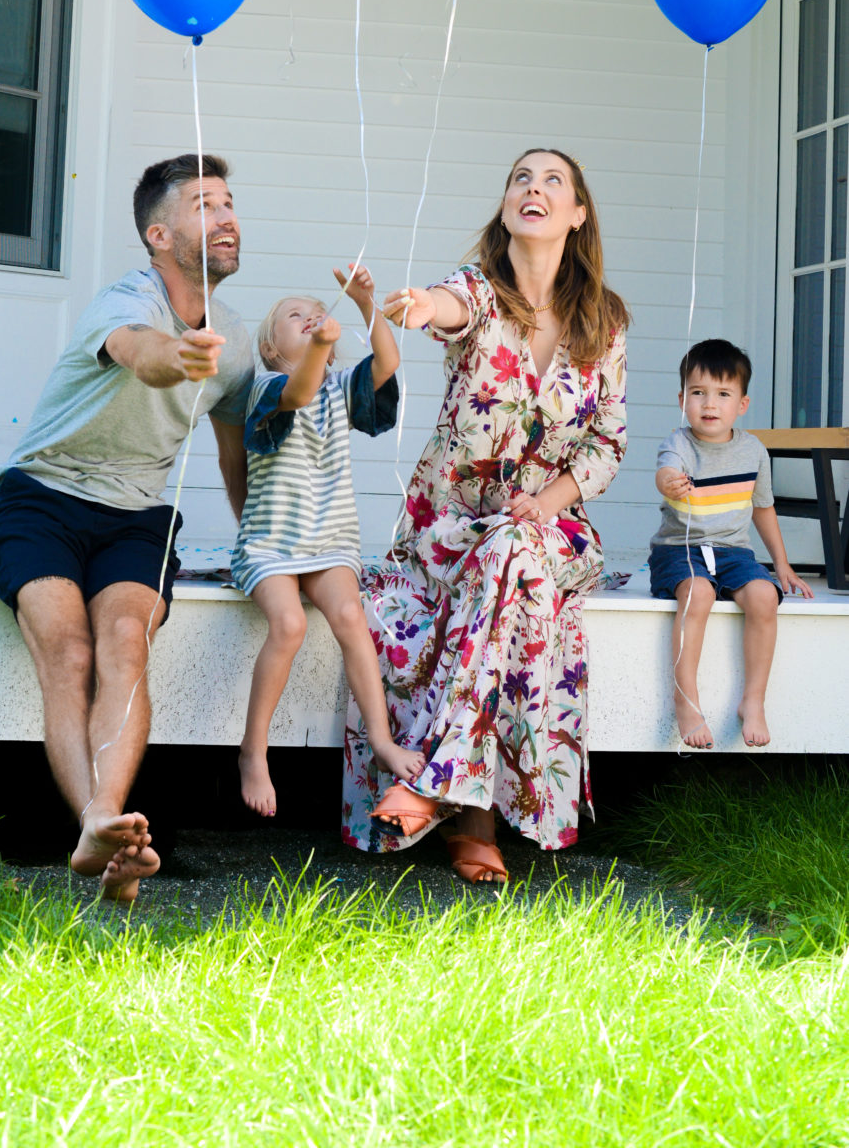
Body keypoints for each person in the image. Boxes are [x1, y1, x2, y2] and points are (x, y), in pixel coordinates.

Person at [341, 148, 629, 883]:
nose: (533, 189)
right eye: (520, 180)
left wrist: (547, 501)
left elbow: (607, 442)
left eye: (552, 181)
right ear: (507, 209)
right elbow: (445, 306)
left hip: (553, 527)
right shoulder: (477, 290)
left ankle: (434, 787)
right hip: (449, 529)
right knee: (505, 558)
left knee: (515, 550)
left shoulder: (605, 321)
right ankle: (471, 821)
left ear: (577, 214)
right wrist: (413, 307)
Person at [0, 154, 253, 900]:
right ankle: (100, 819)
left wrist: (253, 545)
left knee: (125, 643)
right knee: (68, 652)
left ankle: (101, 834)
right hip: (40, 497)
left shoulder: (236, 340)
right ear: (159, 235)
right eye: (205, 205)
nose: (226, 216)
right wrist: (177, 353)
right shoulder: (123, 301)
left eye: (229, 203)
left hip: (136, 515)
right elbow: (143, 355)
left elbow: (234, 455)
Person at [233, 265, 423, 818]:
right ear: (272, 345)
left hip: (329, 539)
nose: (311, 315)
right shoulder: (266, 389)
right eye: (296, 315)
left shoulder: (340, 388)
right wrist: (319, 344)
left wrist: (368, 305)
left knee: (351, 619)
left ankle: (383, 740)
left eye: (316, 311)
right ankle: (254, 750)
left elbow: (387, 364)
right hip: (270, 543)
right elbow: (296, 392)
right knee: (289, 625)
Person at [651, 338, 813, 750]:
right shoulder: (678, 444)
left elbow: (762, 509)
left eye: (723, 394)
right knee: (698, 592)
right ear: (682, 399)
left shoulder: (754, 450)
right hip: (680, 549)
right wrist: (669, 482)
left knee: (763, 596)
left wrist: (782, 564)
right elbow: (665, 472)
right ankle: (686, 698)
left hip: (734, 552)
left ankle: (753, 700)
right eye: (698, 393)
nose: (709, 404)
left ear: (741, 404)